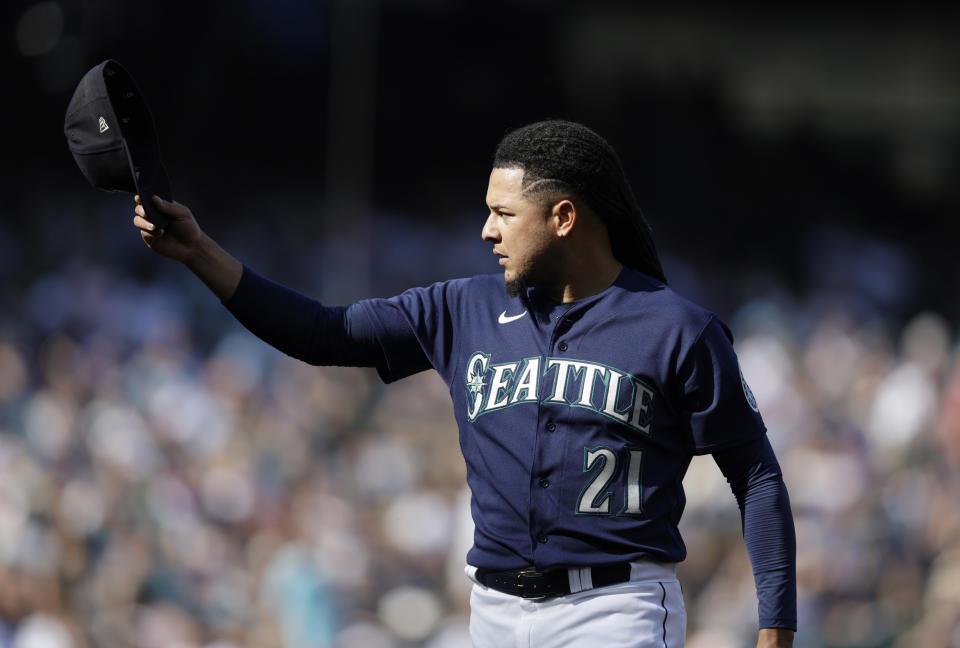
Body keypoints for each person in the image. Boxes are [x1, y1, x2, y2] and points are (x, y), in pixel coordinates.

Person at [132, 120, 796, 648]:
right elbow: (320, 334)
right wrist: (199, 254)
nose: (486, 230)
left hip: (613, 609)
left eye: (505, 214)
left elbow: (756, 476)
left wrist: (776, 626)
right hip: (495, 613)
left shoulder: (676, 327)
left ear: (563, 217)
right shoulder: (462, 309)